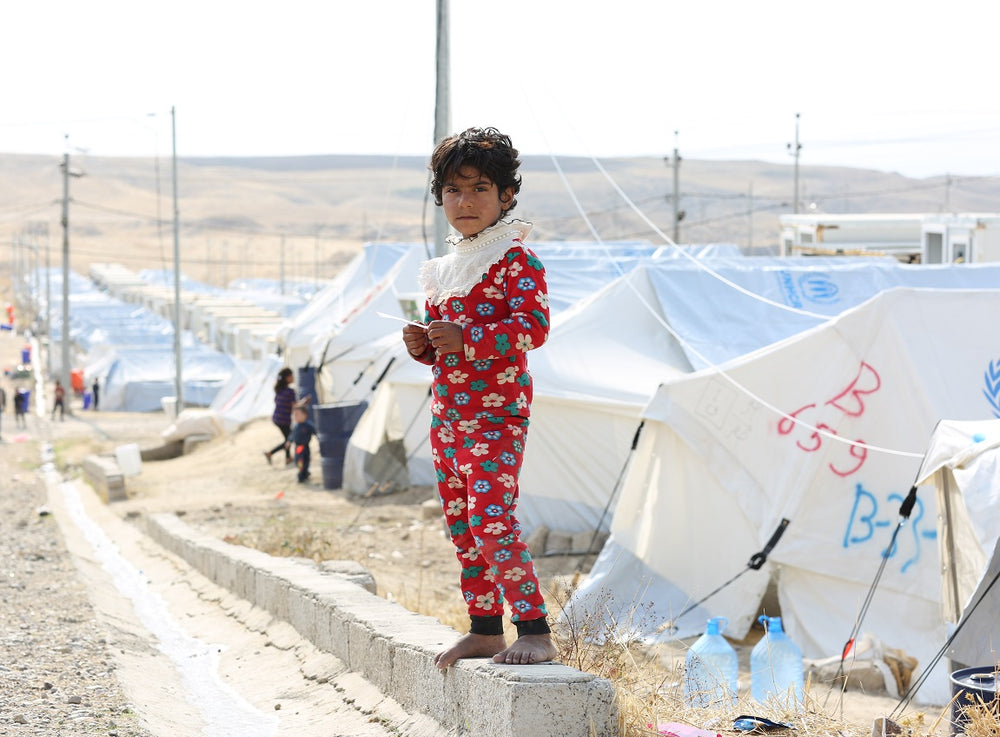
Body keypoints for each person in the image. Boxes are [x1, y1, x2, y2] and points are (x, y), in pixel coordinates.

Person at [400, 127, 557, 669]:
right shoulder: (446, 269)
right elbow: (449, 346)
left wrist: (466, 338)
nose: (464, 202)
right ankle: (486, 629)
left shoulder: (516, 259)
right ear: (440, 197)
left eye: (479, 189)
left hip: (496, 418)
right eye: (453, 191)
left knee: (493, 518)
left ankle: (533, 627)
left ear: (506, 196)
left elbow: (533, 327)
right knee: (465, 529)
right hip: (447, 420)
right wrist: (427, 343)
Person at [264, 367, 295, 465]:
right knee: (290, 439)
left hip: (277, 418)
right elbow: (295, 405)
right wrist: (304, 402)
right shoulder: (289, 391)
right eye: (291, 376)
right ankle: (270, 453)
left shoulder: (279, 390)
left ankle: (288, 458)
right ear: (287, 377)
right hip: (283, 420)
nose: (293, 377)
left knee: (288, 438)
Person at [285, 401, 316, 484]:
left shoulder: (308, 425)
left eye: (297, 414)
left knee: (307, 460)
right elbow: (292, 435)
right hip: (298, 448)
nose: (295, 416)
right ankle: (301, 474)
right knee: (299, 461)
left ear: (304, 415)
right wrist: (289, 441)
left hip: (306, 446)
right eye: (294, 415)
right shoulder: (295, 426)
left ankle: (305, 472)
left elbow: (315, 431)